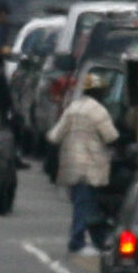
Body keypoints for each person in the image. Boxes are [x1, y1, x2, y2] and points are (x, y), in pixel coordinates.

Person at [48, 69, 119, 256]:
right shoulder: (99, 111)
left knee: (86, 204)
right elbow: (111, 137)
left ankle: (99, 240)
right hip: (91, 167)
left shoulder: (72, 108)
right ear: (98, 92)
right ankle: (76, 240)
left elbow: (54, 136)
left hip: (71, 165)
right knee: (85, 204)